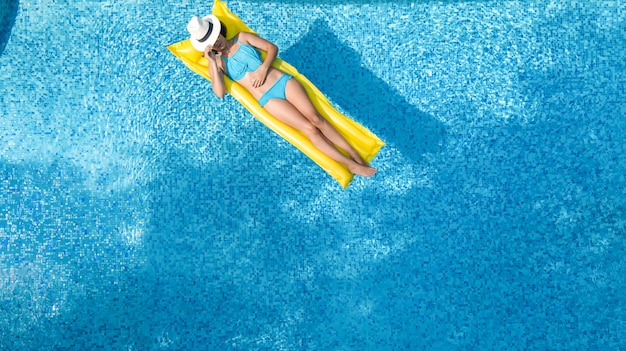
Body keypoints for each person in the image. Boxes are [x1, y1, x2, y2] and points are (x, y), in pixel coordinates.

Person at [186, 15, 377, 178]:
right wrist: (211, 61)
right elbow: (219, 93)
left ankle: (353, 153)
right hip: (268, 99)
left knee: (317, 119)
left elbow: (272, 48)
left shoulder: (242, 38)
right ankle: (349, 164)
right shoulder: (218, 63)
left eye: (214, 35)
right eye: (209, 41)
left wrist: (263, 68)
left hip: (283, 82)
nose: (215, 41)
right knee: (309, 129)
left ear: (219, 29)